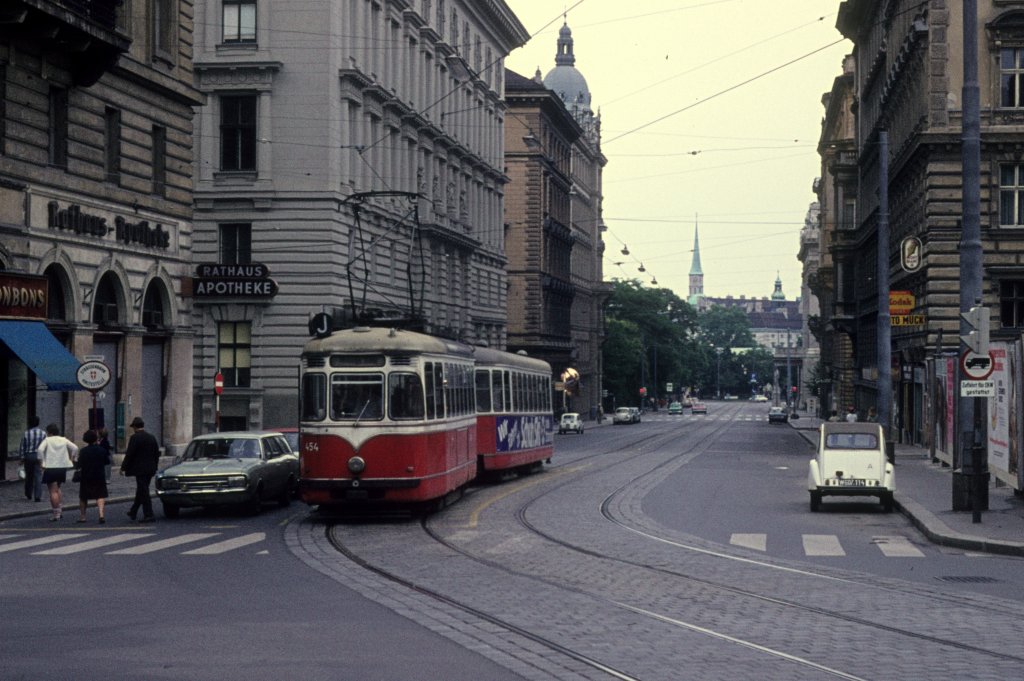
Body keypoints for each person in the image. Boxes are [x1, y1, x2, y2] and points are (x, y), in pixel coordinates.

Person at [120, 417, 160, 523]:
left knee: (144, 491)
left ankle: (149, 514)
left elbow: (129, 454)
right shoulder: (151, 437)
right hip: (150, 469)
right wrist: (155, 466)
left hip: (140, 469)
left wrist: (123, 467)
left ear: (134, 427)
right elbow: (157, 453)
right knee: (142, 490)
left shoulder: (135, 438)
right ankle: (133, 511)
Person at [37, 423, 79, 521]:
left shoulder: (47, 440)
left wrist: (42, 462)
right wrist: (72, 458)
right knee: (58, 488)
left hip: (50, 467)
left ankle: (56, 513)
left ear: (49, 432)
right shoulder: (63, 439)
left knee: (52, 491)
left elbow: (39, 450)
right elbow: (75, 448)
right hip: (62, 467)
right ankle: (59, 510)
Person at [76, 430, 109, 523]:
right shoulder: (101, 450)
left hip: (86, 476)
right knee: (100, 495)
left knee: (83, 497)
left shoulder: (83, 451)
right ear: (96, 439)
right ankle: (101, 515)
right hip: (99, 475)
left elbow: (79, 464)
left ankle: (82, 516)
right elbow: (107, 462)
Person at [20, 415, 47, 502]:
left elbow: (22, 446)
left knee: (29, 475)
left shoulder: (26, 433)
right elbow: (45, 446)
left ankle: (28, 494)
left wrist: (22, 458)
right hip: (39, 455)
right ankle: (38, 496)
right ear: (38, 423)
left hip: (29, 455)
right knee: (38, 475)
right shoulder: (43, 433)